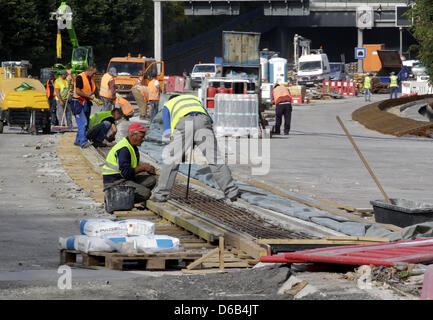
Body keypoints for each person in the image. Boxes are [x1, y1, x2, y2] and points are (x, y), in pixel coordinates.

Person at [152, 94, 240, 203]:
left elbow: (167, 130)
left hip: (184, 122)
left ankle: (160, 195)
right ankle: (232, 192)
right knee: (215, 159)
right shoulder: (194, 99)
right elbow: (210, 119)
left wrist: (179, 146)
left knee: (171, 161)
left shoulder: (168, 104)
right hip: (203, 121)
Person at [102, 123, 157, 205]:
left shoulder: (132, 147)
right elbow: (125, 173)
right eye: (141, 137)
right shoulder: (124, 149)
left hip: (123, 179)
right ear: (133, 135)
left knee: (151, 180)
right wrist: (142, 168)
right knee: (146, 193)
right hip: (115, 182)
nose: (144, 139)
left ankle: (126, 196)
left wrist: (146, 168)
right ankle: (114, 198)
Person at [71, 64, 97, 148]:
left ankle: (78, 140)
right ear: (89, 71)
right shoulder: (80, 77)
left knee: (86, 122)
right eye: (93, 73)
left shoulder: (90, 79)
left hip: (86, 102)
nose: (94, 75)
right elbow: (78, 91)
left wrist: (92, 97)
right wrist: (88, 96)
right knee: (83, 122)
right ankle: (83, 142)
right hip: (78, 103)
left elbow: (90, 89)